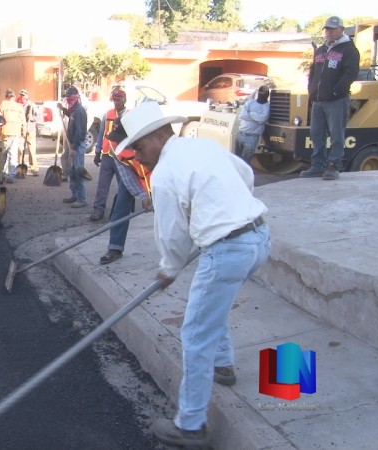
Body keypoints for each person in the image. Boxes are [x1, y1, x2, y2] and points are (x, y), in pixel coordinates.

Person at [116, 102, 270, 448]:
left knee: (196, 333)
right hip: (259, 237)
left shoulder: (167, 174)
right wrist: (227, 207)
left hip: (228, 249)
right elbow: (244, 174)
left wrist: (168, 269)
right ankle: (223, 365)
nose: (138, 157)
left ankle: (190, 425)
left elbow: (172, 235)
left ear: (158, 136)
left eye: (139, 147)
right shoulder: (201, 145)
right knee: (214, 304)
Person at [300, 15, 360, 181]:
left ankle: (333, 165)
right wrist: (311, 90)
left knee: (336, 134)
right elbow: (313, 72)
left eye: (332, 29)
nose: (329, 32)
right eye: (327, 29)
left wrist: (336, 91)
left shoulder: (349, 50)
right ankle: (318, 165)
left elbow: (351, 73)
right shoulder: (320, 50)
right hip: (318, 101)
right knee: (316, 133)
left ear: (342, 29)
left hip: (337, 100)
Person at [97, 115, 153, 265]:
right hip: (135, 175)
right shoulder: (115, 147)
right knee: (121, 202)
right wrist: (143, 195)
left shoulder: (151, 144)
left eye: (122, 138)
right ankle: (115, 247)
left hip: (155, 176)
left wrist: (155, 195)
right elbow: (127, 177)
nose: (118, 141)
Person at [90, 89, 127, 221]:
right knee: (102, 185)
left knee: (124, 185)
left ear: (124, 100)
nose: (116, 102)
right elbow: (101, 133)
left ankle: (124, 210)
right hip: (107, 155)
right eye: (114, 99)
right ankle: (98, 210)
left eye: (118, 99)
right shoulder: (107, 114)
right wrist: (98, 151)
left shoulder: (129, 115)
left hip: (122, 156)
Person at [61, 86, 88, 208]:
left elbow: (81, 132)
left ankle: (82, 199)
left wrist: (74, 147)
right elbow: (71, 115)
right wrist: (63, 110)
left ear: (75, 97)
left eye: (69, 97)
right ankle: (75, 195)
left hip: (77, 145)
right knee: (72, 171)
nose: (68, 100)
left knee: (78, 171)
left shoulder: (79, 111)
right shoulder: (73, 109)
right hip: (73, 143)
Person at [235, 84, 270, 164]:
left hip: (252, 137)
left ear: (267, 95)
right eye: (261, 93)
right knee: (236, 160)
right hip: (240, 134)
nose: (262, 95)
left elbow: (262, 119)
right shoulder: (250, 103)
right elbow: (242, 115)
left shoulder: (267, 106)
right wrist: (256, 117)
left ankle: (243, 176)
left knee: (245, 163)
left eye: (265, 93)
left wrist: (250, 113)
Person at [0, 88, 25, 184]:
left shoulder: (3, 105)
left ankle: (0, 175)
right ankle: (11, 176)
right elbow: (23, 121)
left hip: (5, 132)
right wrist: (24, 132)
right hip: (16, 132)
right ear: (14, 97)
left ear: (6, 96)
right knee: (13, 154)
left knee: (2, 154)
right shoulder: (19, 106)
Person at [17, 89, 39, 176]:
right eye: (21, 95)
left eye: (24, 95)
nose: (23, 97)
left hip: (30, 130)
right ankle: (19, 167)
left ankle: (34, 168)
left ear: (27, 96)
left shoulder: (32, 105)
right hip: (20, 129)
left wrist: (32, 117)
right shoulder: (17, 104)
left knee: (31, 150)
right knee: (20, 149)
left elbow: (37, 116)